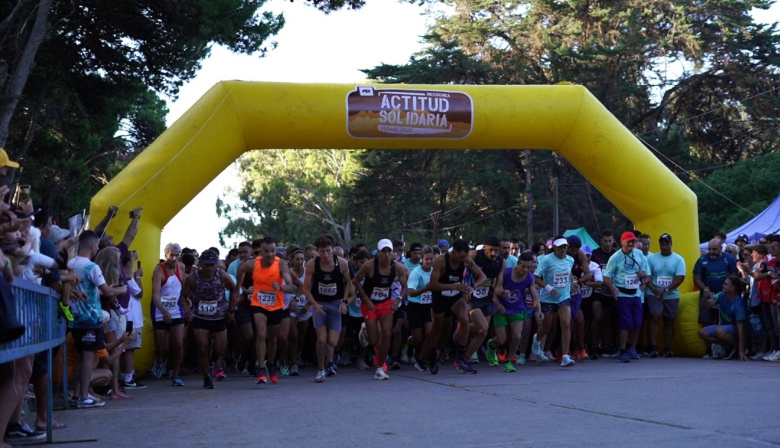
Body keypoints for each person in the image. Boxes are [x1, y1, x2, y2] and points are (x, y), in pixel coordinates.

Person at [68, 230, 127, 406]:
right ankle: (84, 396)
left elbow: (95, 289)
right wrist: (121, 290)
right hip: (90, 318)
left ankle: (79, 393)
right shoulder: (92, 267)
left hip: (75, 317)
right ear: (93, 246)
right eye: (97, 247)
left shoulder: (71, 263)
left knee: (82, 357)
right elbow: (107, 291)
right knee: (88, 357)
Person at [417, 239, 485, 375]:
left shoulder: (466, 260)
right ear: (453, 252)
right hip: (440, 297)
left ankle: (461, 357)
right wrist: (454, 286)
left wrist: (471, 288)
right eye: (460, 257)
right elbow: (433, 285)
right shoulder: (441, 261)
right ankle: (430, 354)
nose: (462, 260)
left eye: (464, 257)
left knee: (465, 320)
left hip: (456, 297)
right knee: (437, 329)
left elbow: (482, 276)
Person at [235, 236, 295, 385]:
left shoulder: (280, 264)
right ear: (260, 251)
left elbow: (291, 286)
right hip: (259, 303)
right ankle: (261, 369)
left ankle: (271, 364)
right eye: (266, 251)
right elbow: (241, 269)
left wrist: (280, 287)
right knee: (261, 334)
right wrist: (238, 288)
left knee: (273, 338)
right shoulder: (253, 264)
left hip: (276, 305)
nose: (269, 254)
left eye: (272, 251)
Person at [353, 239, 408, 380]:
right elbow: (356, 281)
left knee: (387, 334)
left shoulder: (398, 267)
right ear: (378, 253)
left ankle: (380, 367)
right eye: (383, 251)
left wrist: (398, 300)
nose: (386, 254)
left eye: (389, 251)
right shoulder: (369, 266)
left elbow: (405, 287)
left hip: (385, 302)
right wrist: (365, 298)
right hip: (370, 304)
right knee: (373, 340)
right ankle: (365, 331)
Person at [180, 250, 236, 389]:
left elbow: (235, 290)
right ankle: (206, 377)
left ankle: (215, 358)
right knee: (203, 348)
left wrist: (230, 310)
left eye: (212, 265)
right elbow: (183, 296)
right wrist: (187, 309)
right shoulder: (192, 278)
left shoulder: (222, 275)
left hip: (219, 317)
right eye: (206, 265)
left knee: (220, 349)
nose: (209, 268)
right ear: (200, 264)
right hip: (200, 317)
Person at [301, 234, 353, 383]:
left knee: (333, 341)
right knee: (322, 339)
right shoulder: (312, 264)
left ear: (332, 250)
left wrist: (344, 302)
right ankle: (321, 369)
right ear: (318, 251)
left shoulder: (342, 263)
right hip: (320, 304)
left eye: (328, 251)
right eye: (322, 251)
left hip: (336, 303)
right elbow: (305, 288)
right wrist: (314, 304)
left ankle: (329, 362)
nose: (326, 254)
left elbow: (349, 283)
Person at [603, 231, 653, 363]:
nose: (631, 243)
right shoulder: (615, 257)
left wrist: (644, 280)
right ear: (622, 242)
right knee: (625, 323)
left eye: (633, 241)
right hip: (622, 294)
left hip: (636, 294)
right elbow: (606, 277)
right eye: (628, 241)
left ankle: (632, 347)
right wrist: (612, 289)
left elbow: (648, 275)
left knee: (637, 322)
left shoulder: (639, 254)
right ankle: (623, 350)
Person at [489, 251, 540, 372]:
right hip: (501, 308)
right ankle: (491, 346)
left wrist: (538, 310)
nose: (525, 269)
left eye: (528, 267)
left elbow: (535, 296)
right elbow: (493, 291)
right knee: (501, 339)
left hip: (517, 309)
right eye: (523, 266)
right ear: (518, 264)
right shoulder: (506, 273)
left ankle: (508, 361)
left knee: (517, 336)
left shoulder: (529, 277)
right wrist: (498, 303)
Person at [531, 237, 576, 367]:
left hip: (564, 296)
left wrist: (573, 283)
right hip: (548, 298)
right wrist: (548, 287)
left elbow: (569, 273)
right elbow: (536, 277)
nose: (564, 249)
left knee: (566, 323)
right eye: (561, 247)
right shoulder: (546, 260)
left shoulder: (570, 260)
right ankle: (537, 339)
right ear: (554, 248)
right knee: (546, 327)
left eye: (565, 247)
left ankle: (565, 356)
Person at [150, 243, 187, 386]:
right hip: (160, 309)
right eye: (172, 255)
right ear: (166, 255)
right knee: (162, 347)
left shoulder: (181, 267)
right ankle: (160, 360)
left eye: (178, 255)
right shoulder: (159, 270)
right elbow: (155, 295)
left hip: (176, 309)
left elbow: (183, 286)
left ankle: (175, 374)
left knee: (178, 343)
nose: (175, 258)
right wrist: (164, 311)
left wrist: (186, 300)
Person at [693, 238, 739, 354]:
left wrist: (724, 293)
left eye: (714, 249)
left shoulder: (729, 259)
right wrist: (706, 290)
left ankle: (736, 347)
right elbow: (696, 279)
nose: (711, 252)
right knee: (706, 321)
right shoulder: (702, 260)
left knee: (727, 322)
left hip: (725, 297)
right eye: (709, 249)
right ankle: (709, 351)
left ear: (721, 248)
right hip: (708, 296)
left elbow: (734, 278)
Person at [646, 234, 686, 358]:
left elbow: (680, 277)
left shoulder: (678, 259)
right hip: (654, 293)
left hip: (671, 294)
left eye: (666, 244)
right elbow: (647, 276)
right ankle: (652, 347)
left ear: (671, 244)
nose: (664, 246)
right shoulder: (652, 259)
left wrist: (667, 290)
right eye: (662, 244)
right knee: (655, 315)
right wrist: (654, 289)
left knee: (669, 320)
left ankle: (667, 347)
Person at [467, 236, 505, 365]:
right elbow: (462, 269)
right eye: (491, 250)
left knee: (484, 328)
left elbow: (498, 285)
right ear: (485, 248)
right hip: (472, 295)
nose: (494, 253)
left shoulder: (501, 262)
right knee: (480, 325)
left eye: (496, 250)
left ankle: (464, 334)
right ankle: (470, 353)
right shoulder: (474, 255)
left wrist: (502, 292)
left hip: (487, 296)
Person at [698, 275, 749, 361]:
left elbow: (741, 330)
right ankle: (727, 346)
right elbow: (705, 306)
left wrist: (741, 351)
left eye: (726, 284)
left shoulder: (738, 305)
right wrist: (704, 297)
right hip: (723, 329)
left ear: (733, 288)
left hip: (734, 330)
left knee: (719, 331)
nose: (723, 285)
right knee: (702, 332)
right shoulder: (721, 295)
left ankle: (739, 348)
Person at [588, 229, 618, 358]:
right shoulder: (594, 254)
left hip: (611, 291)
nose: (607, 244)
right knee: (598, 316)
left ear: (613, 241)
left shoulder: (616, 255)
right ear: (600, 240)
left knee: (607, 318)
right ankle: (593, 345)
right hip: (597, 290)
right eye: (605, 241)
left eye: (610, 241)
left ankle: (606, 344)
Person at [406, 246, 435, 371]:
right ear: (422, 260)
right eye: (426, 259)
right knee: (418, 338)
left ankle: (423, 358)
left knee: (430, 334)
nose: (429, 262)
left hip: (428, 306)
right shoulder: (416, 272)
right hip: (415, 306)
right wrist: (425, 289)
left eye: (431, 259)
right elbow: (410, 292)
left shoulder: (435, 271)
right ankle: (410, 343)